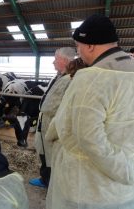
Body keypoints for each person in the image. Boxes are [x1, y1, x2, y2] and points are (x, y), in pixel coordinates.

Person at [46, 14, 134, 209]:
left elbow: (88, 136)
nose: (78, 52)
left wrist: (126, 171)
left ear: (90, 45)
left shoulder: (90, 78)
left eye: (78, 46)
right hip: (126, 193)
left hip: (88, 189)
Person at [29, 47, 76, 188]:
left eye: (56, 59)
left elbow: (58, 104)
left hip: (53, 121)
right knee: (43, 150)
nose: (53, 62)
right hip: (46, 120)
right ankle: (46, 178)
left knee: (50, 152)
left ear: (65, 61)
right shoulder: (60, 76)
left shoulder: (69, 79)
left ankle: (48, 181)